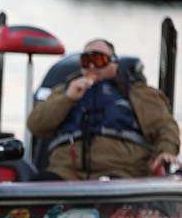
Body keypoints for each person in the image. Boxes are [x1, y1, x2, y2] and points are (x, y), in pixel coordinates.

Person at [27, 38, 179, 180]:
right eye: (86, 61)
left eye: (99, 60)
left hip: (121, 172)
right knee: (33, 191)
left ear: (114, 63)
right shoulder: (64, 91)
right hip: (67, 173)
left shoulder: (138, 92)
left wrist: (166, 150)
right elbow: (36, 125)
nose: (92, 66)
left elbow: (165, 126)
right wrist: (67, 98)